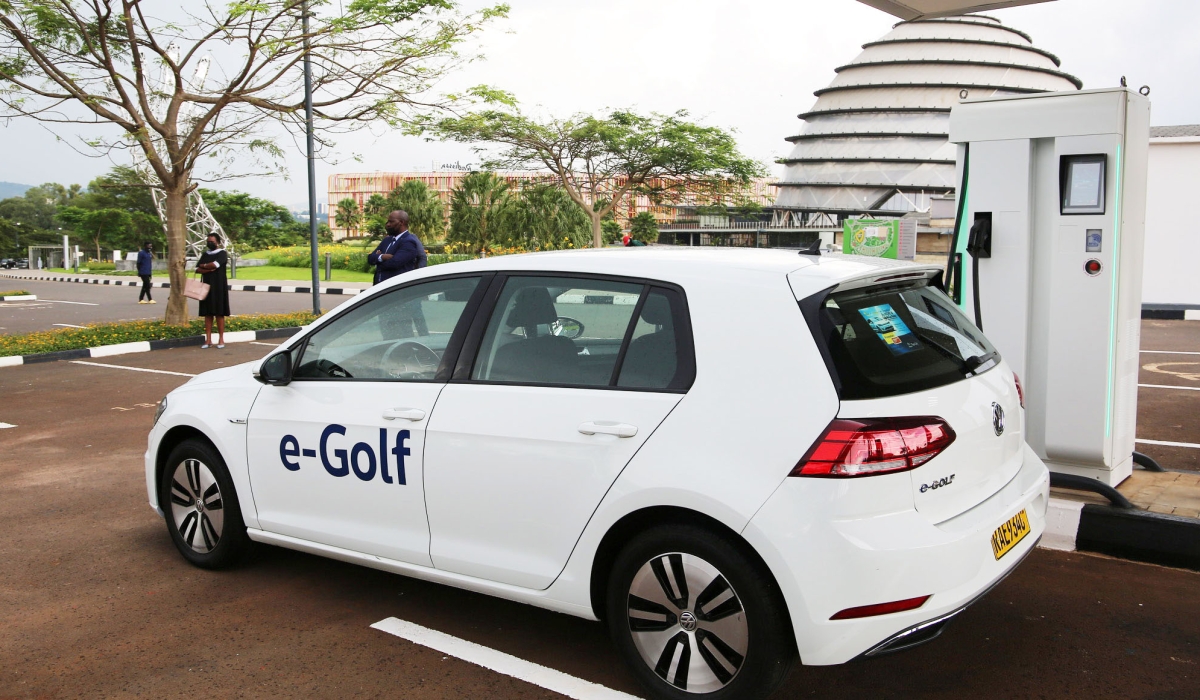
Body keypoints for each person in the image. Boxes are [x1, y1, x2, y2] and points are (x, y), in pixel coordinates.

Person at [368, 210, 427, 285]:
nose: (388, 225)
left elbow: (394, 263)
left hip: (396, 289)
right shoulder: (387, 240)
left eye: (391, 222)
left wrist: (377, 261)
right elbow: (370, 258)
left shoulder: (409, 242)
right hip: (379, 288)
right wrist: (382, 257)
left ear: (401, 222)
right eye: (387, 222)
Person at [195, 234, 230, 349]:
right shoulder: (205, 254)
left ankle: (221, 339)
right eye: (208, 241)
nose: (210, 243)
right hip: (206, 286)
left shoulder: (222, 253)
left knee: (219, 313)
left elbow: (216, 264)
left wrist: (205, 267)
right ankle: (208, 340)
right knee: (207, 313)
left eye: (212, 241)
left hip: (219, 286)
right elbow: (198, 268)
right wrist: (207, 267)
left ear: (218, 242)